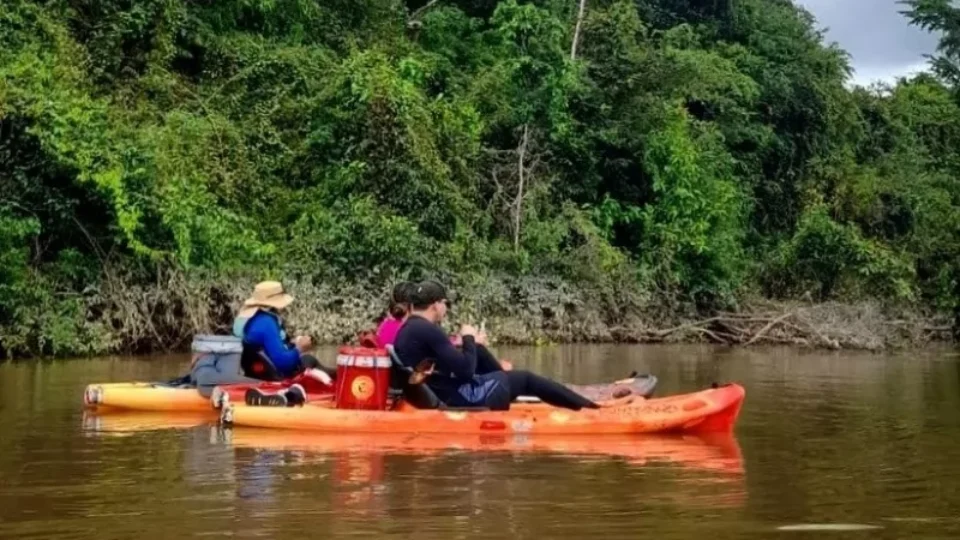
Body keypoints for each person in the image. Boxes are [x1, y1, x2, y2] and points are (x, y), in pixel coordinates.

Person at [392, 280, 633, 411]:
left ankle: (509, 385)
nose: (446, 309)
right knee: (526, 378)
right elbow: (465, 370)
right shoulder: (427, 330)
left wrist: (473, 346)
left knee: (485, 355)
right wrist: (468, 338)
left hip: (446, 390)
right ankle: (593, 410)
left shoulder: (410, 329)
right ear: (436, 305)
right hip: (461, 397)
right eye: (446, 304)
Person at [234, 281, 336, 405]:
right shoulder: (267, 323)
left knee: (309, 360)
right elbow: (284, 364)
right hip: (276, 376)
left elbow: (268, 346)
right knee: (309, 360)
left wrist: (291, 344)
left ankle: (337, 375)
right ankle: (338, 384)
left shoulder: (251, 319)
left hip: (255, 372)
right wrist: (299, 348)